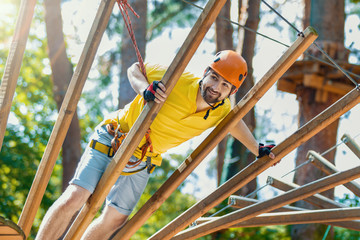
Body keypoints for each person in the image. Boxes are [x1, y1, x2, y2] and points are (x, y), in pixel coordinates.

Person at [35, 50, 276, 240]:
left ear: (232, 91)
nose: (215, 88)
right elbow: (135, 69)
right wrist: (144, 90)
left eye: (225, 85)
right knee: (77, 197)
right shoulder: (177, 78)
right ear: (205, 73)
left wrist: (257, 149)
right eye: (214, 78)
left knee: (115, 219)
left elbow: (235, 124)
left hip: (143, 159)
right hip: (115, 136)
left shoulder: (222, 111)